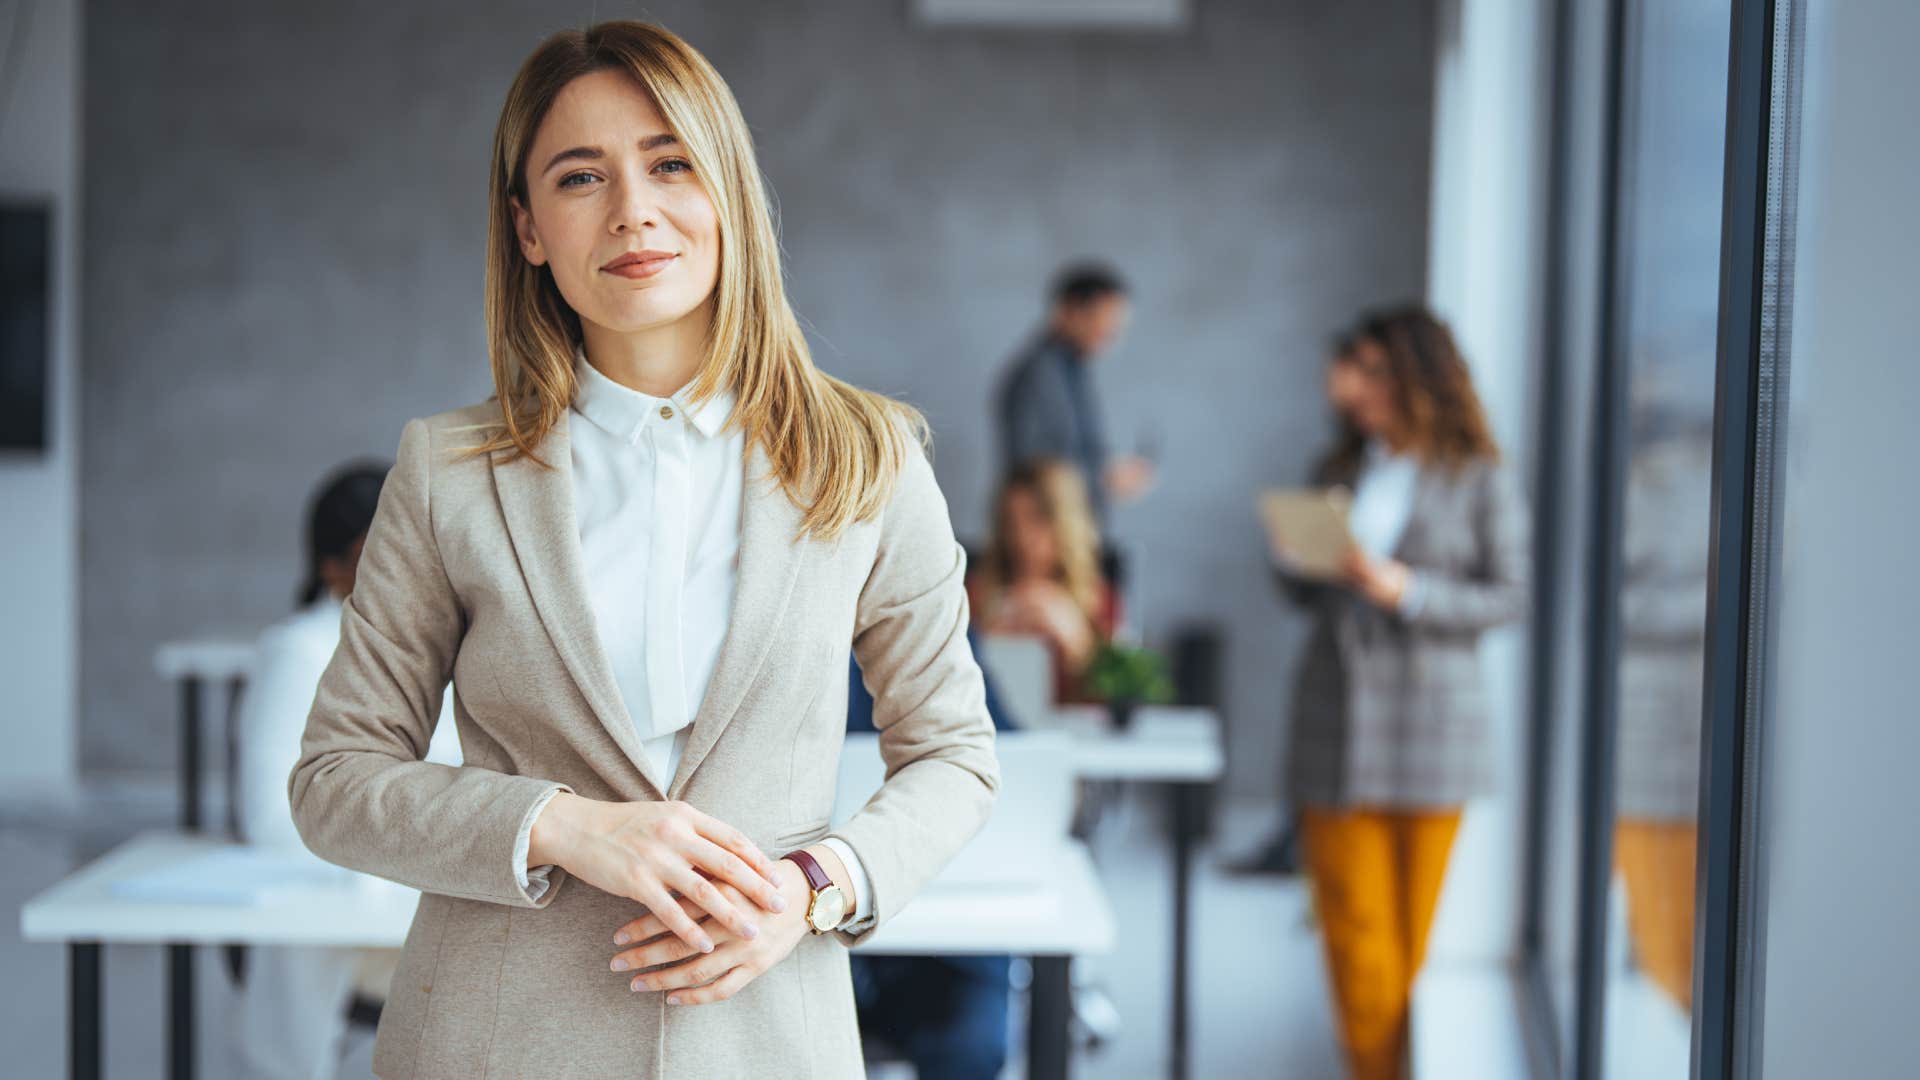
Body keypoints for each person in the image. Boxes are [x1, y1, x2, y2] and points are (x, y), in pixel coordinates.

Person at [288, 21, 999, 1078]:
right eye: (581, 178)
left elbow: (953, 755)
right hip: (492, 1040)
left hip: (766, 1037)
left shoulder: (870, 459)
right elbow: (336, 781)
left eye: (670, 163)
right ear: (528, 228)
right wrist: (562, 826)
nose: (633, 209)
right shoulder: (448, 472)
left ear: (729, 191)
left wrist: (815, 887)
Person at [1269, 305, 1529, 1080]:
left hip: (1432, 727)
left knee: (1414, 944)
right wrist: (1296, 556)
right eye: (1356, 371)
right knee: (1356, 939)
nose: (1357, 389)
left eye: (1376, 371)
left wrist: (1408, 590)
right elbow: (1304, 598)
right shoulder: (1339, 467)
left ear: (1420, 376)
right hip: (1335, 722)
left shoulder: (1480, 477)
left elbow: (1509, 597)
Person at [232, 462, 463, 1080]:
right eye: (380, 550)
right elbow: (274, 817)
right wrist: (429, 837)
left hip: (433, 893)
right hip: (366, 912)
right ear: (332, 566)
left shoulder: (445, 642)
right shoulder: (302, 650)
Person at [846, 625, 1019, 1080]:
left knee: (970, 1044)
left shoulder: (933, 625)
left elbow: (1013, 754)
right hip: (803, 914)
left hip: (946, 932)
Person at [995, 262, 1155, 529]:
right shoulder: (1039, 376)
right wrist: (1106, 479)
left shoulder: (1070, 369)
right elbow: (1034, 472)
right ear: (1069, 311)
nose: (1111, 333)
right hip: (1048, 534)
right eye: (1103, 320)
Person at [969, 459, 1120, 703]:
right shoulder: (972, 593)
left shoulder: (1102, 602)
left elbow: (1117, 699)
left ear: (1065, 522)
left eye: (1037, 519)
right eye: (1011, 522)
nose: (1022, 537)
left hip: (1069, 737)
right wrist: (987, 640)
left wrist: (1076, 642)